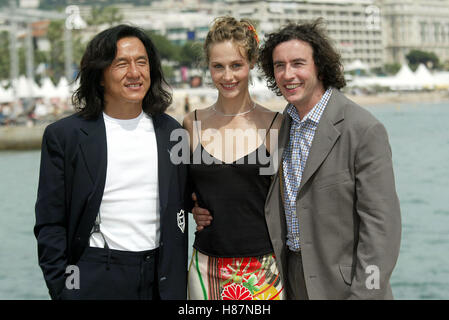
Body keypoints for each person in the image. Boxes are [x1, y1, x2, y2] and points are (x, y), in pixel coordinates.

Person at [194, 19, 402, 300]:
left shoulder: (362, 129)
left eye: (298, 63)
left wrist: (368, 292)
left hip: (343, 288)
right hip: (285, 279)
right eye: (279, 65)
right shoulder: (282, 127)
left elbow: (381, 229)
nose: (288, 74)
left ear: (320, 65)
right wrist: (196, 205)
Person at [34, 24, 189, 300]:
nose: (134, 72)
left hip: (161, 277)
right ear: (100, 75)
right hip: (93, 274)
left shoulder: (172, 132)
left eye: (142, 62)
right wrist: (63, 289)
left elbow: (185, 198)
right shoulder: (65, 136)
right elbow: (50, 222)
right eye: (121, 64)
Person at [183, 16, 285, 300]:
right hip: (205, 267)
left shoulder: (276, 125)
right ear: (209, 67)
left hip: (264, 269)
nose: (227, 76)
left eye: (236, 65)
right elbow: (180, 192)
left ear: (251, 62)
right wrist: (192, 208)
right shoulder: (191, 124)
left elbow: (293, 200)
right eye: (218, 66)